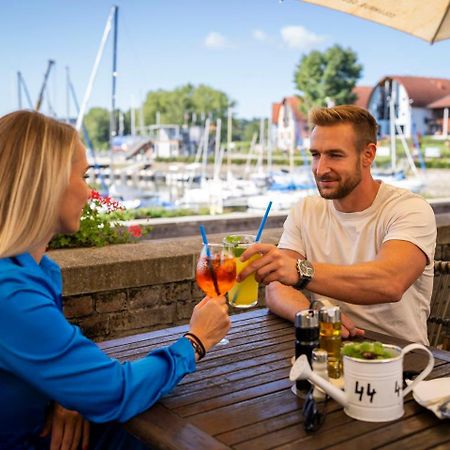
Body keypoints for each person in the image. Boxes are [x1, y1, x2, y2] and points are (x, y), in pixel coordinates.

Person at [0, 110, 230, 449]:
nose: (90, 193)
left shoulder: (37, 270)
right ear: (47, 184)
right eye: (84, 176)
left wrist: (69, 392)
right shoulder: (11, 292)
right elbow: (116, 390)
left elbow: (55, 356)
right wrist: (196, 341)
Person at [238, 105, 436, 344]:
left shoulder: (409, 208)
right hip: (329, 349)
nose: (320, 169)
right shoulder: (305, 210)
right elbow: (278, 286)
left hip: (399, 360)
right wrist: (311, 315)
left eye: (335, 155)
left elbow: (389, 282)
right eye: (315, 155)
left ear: (368, 155)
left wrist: (301, 271)